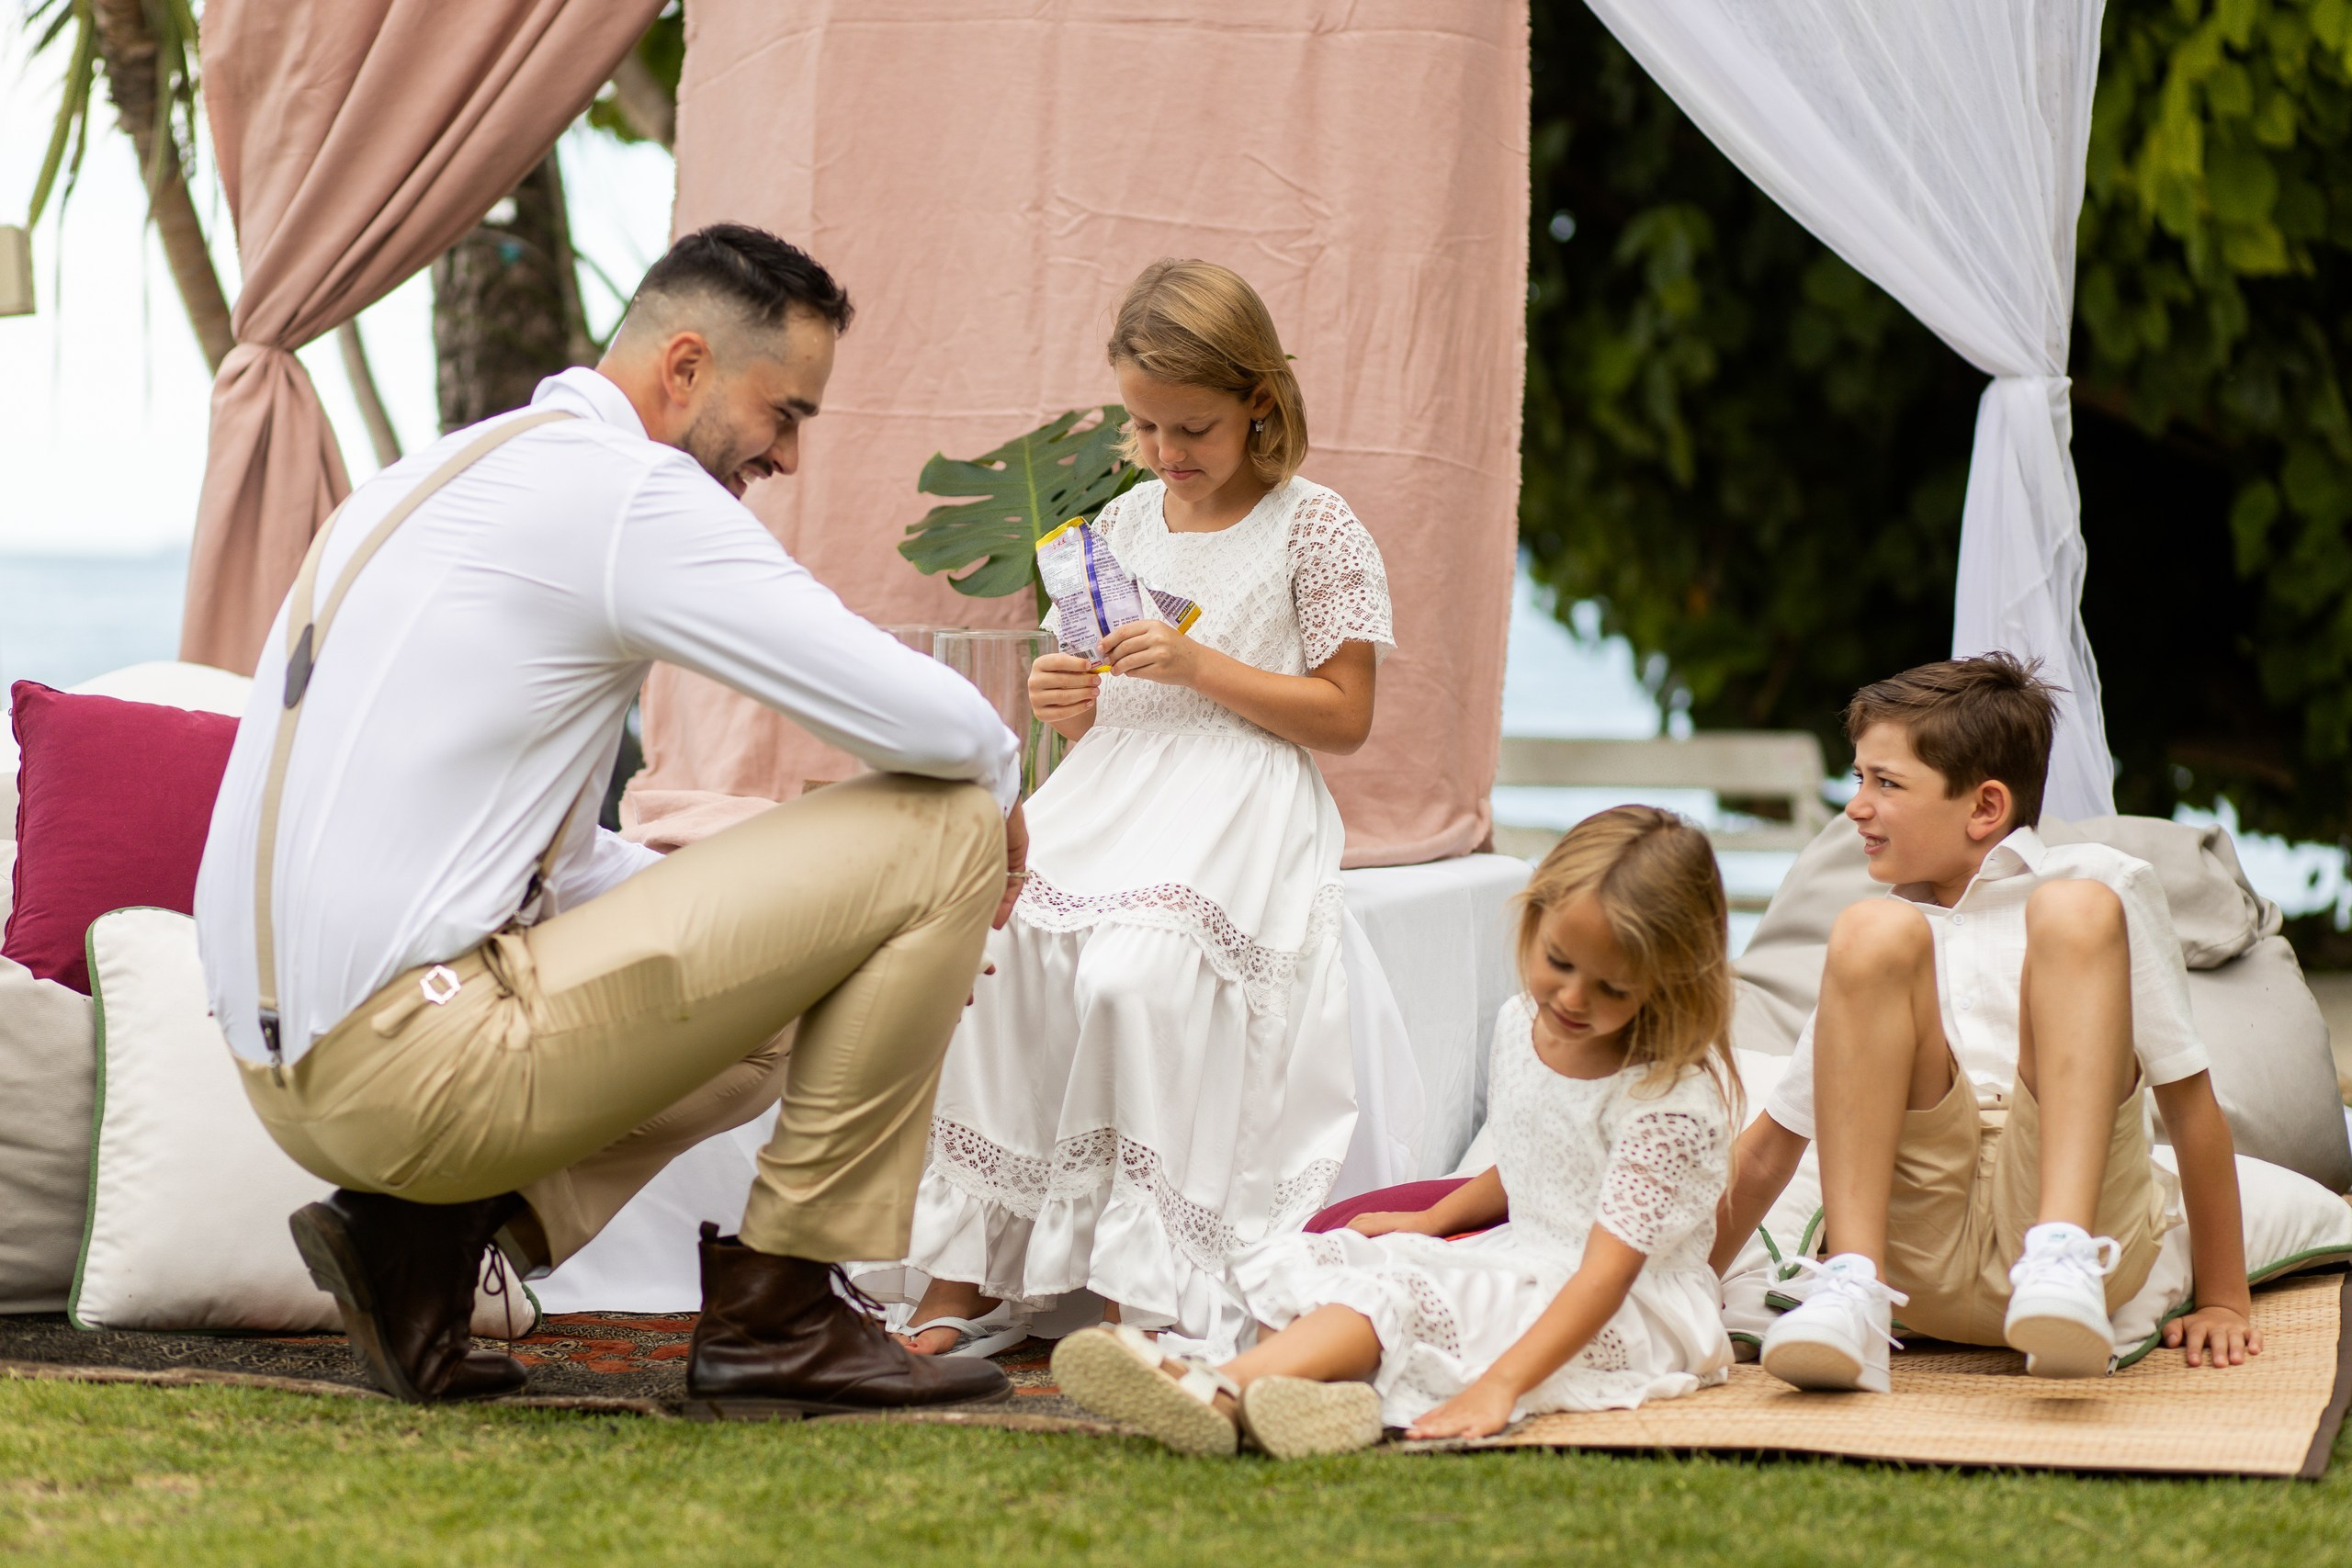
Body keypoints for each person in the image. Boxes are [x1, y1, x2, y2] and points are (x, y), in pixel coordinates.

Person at [193, 224, 1030, 1415]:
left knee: (813, 963)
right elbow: (929, 720)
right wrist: (999, 794)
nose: (787, 455)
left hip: (291, 1076)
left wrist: (760, 893)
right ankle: (784, 1307)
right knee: (944, 822)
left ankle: (425, 1247)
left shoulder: (447, 473)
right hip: (416, 1064)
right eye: (783, 411)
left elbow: (542, 858)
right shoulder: (626, 491)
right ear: (683, 367)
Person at [875, 258, 1393, 1358]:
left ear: (1261, 401)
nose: (1166, 453)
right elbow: (1094, 697)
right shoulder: (1118, 523)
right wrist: (1067, 696)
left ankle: (1135, 1291)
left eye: (1191, 427)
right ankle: (960, 1275)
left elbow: (1345, 717)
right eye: (1145, 426)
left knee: (1137, 974)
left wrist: (1200, 667)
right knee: (996, 956)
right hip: (1115, 789)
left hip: (1240, 798)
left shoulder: (1317, 528)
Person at [1047, 808, 1739, 1457]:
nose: (1572, 998)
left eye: (1612, 988)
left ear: (1672, 980)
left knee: (1402, 1297)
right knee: (1332, 1260)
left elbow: (1604, 1276)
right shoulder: (1523, 1024)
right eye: (1559, 961)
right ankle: (1315, 1400)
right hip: (1529, 1254)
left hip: (1618, 1307)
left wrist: (1500, 1383)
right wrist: (1430, 1218)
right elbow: (1544, 1157)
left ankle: (1221, 1387)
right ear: (1535, 916)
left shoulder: (1667, 1100)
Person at [1722, 654, 2259, 1393]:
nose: (1855, 807)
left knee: (2075, 908)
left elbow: (2190, 1104)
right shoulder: (1880, 934)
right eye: (1858, 778)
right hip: (1922, 1254)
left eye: (1886, 783)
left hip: (2077, 1216)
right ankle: (1850, 1287)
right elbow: (1773, 1144)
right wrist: (1670, 1288)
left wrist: (2226, 1298)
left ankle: (2061, 1255)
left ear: (1984, 807)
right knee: (1872, 929)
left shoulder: (2103, 884)